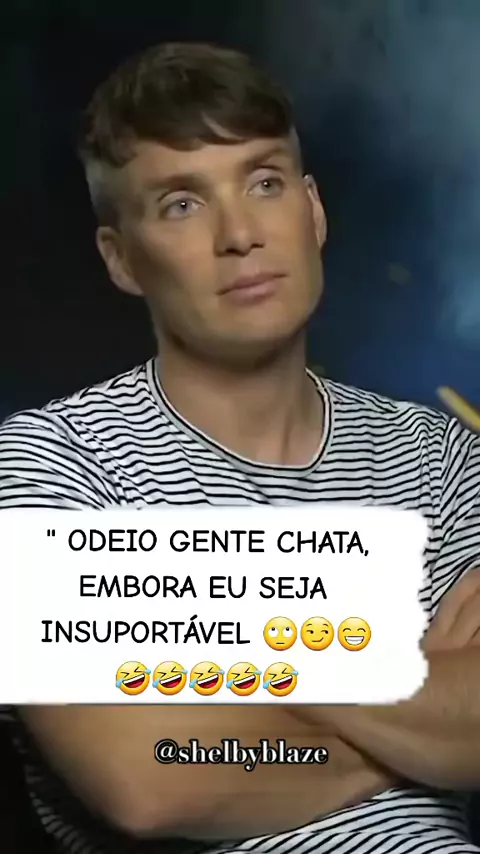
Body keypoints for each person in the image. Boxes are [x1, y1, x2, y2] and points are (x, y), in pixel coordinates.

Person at [0, 40, 479, 854]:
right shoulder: (54, 460)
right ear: (122, 259)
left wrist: (239, 656)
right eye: (181, 204)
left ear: (312, 211)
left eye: (264, 182)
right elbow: (149, 781)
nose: (240, 234)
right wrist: (404, 683)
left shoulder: (435, 456)